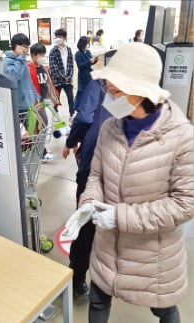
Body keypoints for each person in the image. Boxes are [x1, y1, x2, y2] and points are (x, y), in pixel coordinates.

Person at [66, 42, 194, 323]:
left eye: (116, 91)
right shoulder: (110, 127)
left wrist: (120, 216)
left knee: (164, 309)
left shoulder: (182, 137)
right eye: (108, 90)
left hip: (152, 256)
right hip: (107, 247)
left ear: (141, 91)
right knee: (98, 301)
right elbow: (97, 174)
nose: (110, 98)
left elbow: (185, 204)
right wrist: (88, 204)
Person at [62, 80, 111, 297]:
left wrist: (71, 140)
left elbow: (83, 117)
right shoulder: (142, 96)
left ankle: (78, 279)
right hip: (122, 168)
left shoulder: (99, 85)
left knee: (86, 223)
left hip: (94, 162)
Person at [28, 42, 57, 163]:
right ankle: (41, 153)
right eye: (40, 54)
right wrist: (34, 103)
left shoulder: (44, 68)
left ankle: (41, 151)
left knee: (40, 128)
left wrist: (53, 98)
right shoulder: (28, 69)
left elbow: (48, 84)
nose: (43, 56)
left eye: (44, 54)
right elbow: (28, 88)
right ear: (33, 55)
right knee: (40, 128)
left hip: (43, 103)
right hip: (35, 105)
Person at [3, 33, 39, 112]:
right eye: (24, 47)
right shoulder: (8, 61)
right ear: (16, 46)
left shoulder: (22, 60)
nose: (26, 50)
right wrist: (21, 57)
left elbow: (28, 81)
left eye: (27, 47)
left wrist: (35, 96)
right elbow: (15, 76)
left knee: (41, 123)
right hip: (18, 105)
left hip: (29, 102)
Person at [49, 28, 74, 120]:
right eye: (56, 37)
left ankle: (72, 114)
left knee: (71, 97)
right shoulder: (53, 51)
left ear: (65, 37)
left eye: (60, 36)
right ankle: (55, 114)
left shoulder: (69, 49)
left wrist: (69, 76)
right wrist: (62, 77)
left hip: (68, 80)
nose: (58, 38)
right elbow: (53, 66)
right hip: (57, 80)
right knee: (56, 98)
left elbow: (71, 65)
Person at [74, 36, 99, 111]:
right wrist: (89, 62)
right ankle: (77, 107)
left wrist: (95, 60)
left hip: (89, 75)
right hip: (82, 75)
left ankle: (86, 106)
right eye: (87, 43)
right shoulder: (78, 54)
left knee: (89, 91)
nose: (88, 45)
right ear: (82, 44)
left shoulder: (88, 52)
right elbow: (80, 66)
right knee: (81, 92)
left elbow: (91, 63)